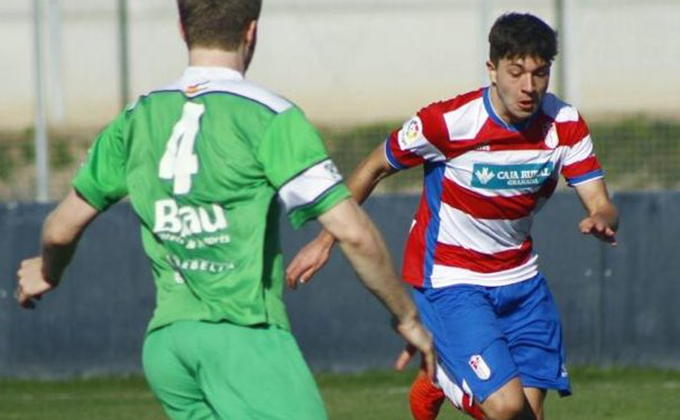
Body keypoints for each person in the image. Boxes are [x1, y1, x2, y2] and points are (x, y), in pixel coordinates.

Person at [15, 1, 434, 419]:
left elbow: (59, 230)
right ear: (251, 32)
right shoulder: (271, 116)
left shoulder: (136, 117)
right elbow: (354, 233)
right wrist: (406, 315)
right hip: (242, 336)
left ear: (182, 28)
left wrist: (48, 271)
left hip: (168, 347)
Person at [286, 12, 619, 420]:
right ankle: (444, 377)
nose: (528, 86)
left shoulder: (564, 123)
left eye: (540, 73)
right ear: (492, 69)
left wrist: (602, 217)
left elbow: (599, 202)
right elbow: (373, 166)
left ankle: (447, 379)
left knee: (528, 414)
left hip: (521, 281)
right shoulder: (447, 122)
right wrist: (325, 240)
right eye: (516, 72)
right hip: (451, 278)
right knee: (507, 408)